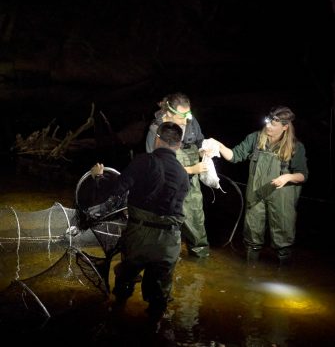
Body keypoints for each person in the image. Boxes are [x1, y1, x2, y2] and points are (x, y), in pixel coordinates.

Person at [90, 121, 189, 322]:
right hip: (170, 240)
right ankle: (154, 329)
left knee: (126, 278)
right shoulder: (182, 173)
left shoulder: (143, 161)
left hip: (140, 234)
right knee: (159, 294)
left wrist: (98, 177)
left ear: (157, 139)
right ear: (178, 145)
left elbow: (115, 191)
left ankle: (117, 317)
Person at [210, 106, 308, 268]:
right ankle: (251, 271)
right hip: (256, 194)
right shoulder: (255, 138)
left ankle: (283, 273)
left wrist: (288, 176)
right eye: (268, 122)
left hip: (282, 197)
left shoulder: (296, 147)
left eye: (274, 124)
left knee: (283, 235)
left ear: (285, 127)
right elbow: (235, 156)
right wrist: (218, 145)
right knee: (252, 234)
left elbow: (303, 175)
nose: (268, 126)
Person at [146, 92, 210, 258]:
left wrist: (204, 149)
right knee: (167, 219)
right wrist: (190, 170)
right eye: (183, 115)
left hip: (191, 176)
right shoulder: (156, 130)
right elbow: (155, 165)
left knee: (195, 218)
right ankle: (166, 257)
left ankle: (200, 259)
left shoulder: (191, 121)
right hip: (167, 181)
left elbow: (199, 140)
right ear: (170, 113)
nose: (187, 118)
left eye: (189, 113)